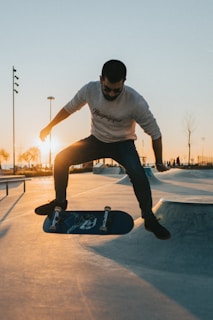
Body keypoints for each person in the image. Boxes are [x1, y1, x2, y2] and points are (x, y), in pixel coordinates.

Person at [35, 59, 170, 240]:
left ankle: (149, 217)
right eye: (107, 89)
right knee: (61, 159)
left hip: (123, 144)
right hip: (96, 141)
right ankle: (60, 202)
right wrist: (49, 126)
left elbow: (155, 133)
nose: (112, 94)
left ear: (124, 82)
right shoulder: (89, 90)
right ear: (101, 80)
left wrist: (159, 161)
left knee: (138, 174)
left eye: (117, 90)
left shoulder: (136, 101)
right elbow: (69, 108)